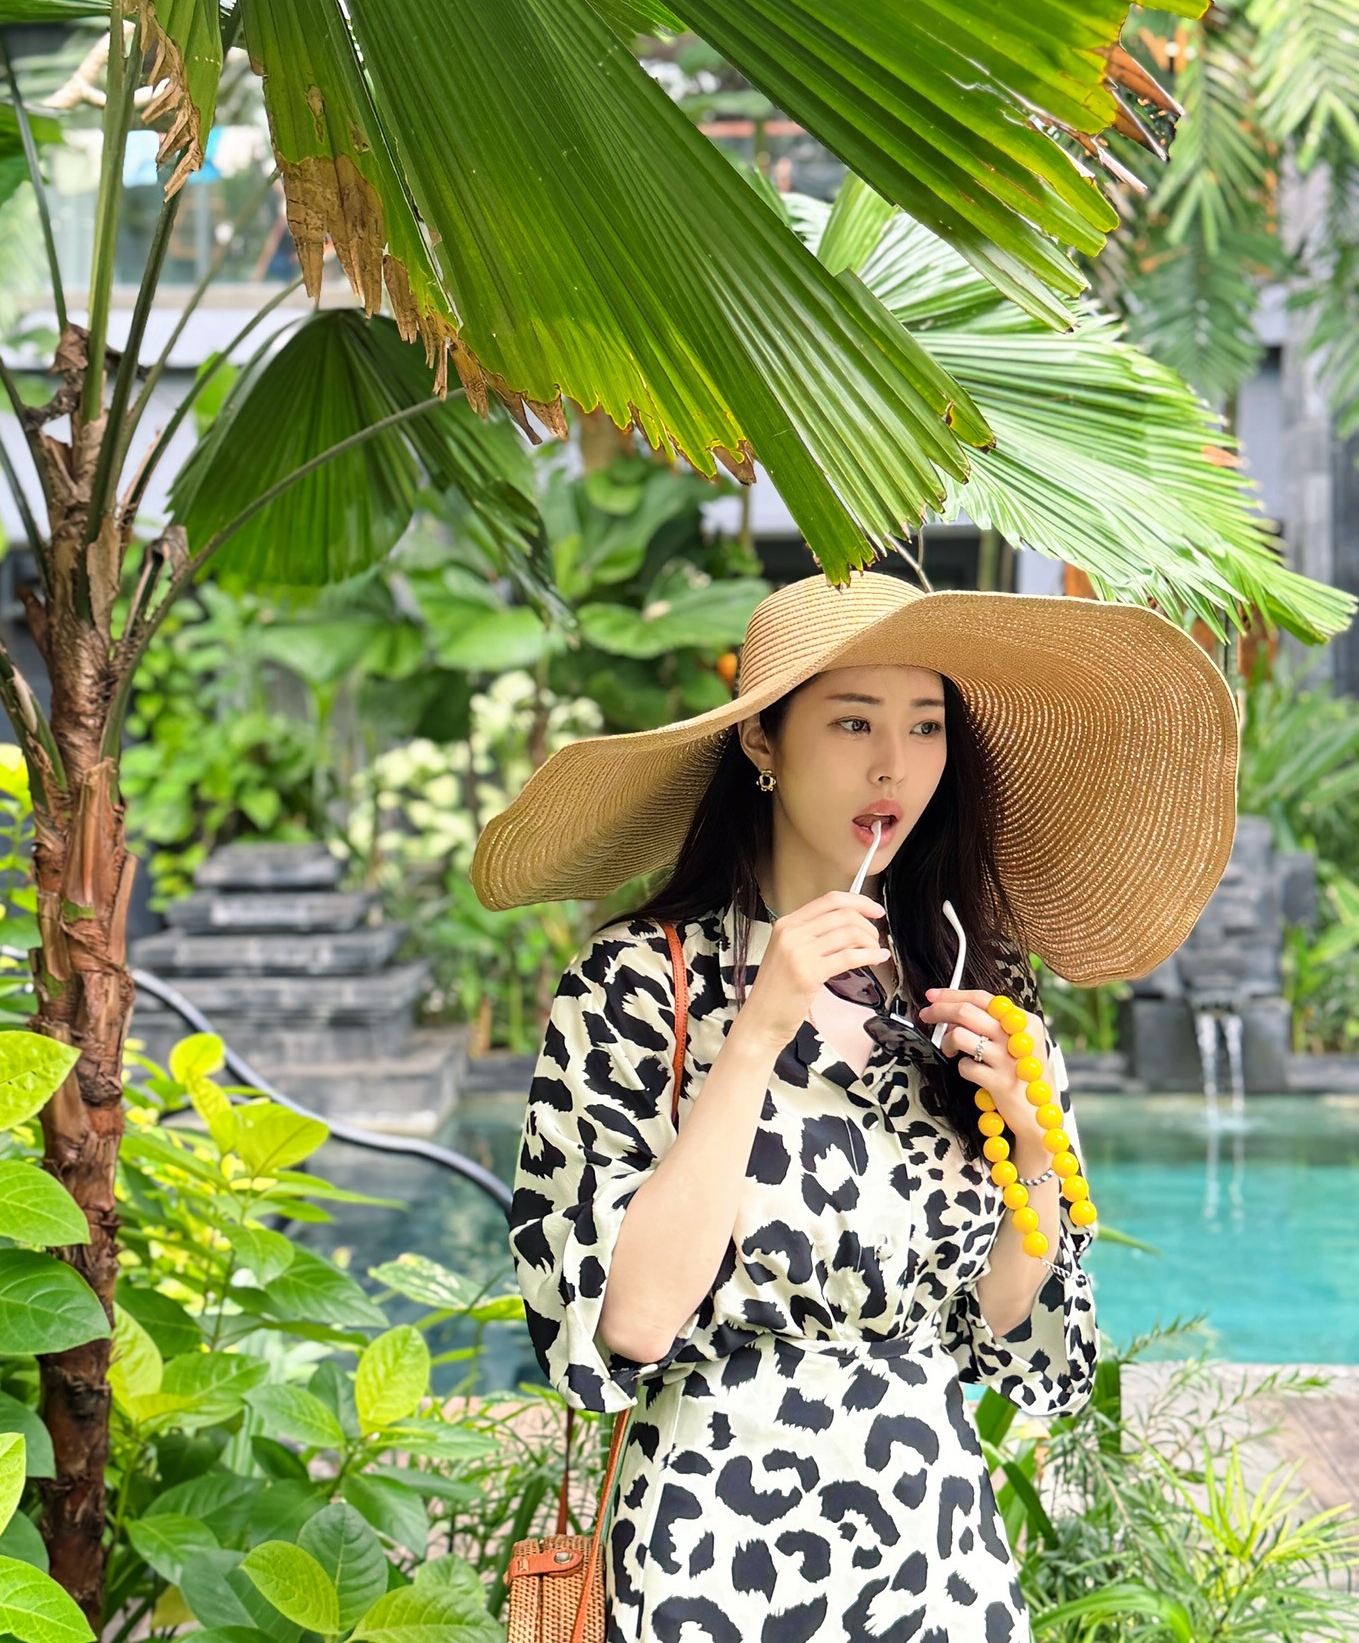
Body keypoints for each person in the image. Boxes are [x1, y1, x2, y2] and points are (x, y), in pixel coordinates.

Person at [472, 570, 1238, 1643]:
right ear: (762, 740)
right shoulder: (638, 983)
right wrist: (758, 1031)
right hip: (714, 1542)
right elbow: (631, 1323)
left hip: (936, 1544)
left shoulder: (977, 989)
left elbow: (1002, 1326)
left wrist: (1030, 1142)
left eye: (925, 726)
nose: (894, 764)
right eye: (852, 721)